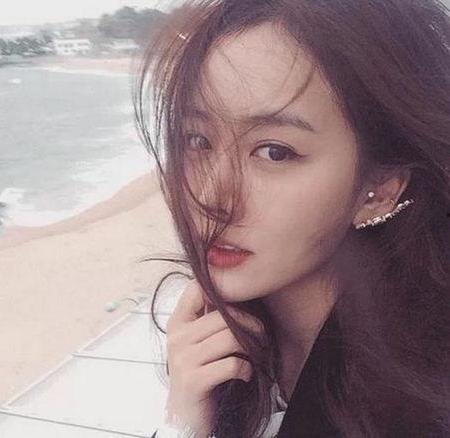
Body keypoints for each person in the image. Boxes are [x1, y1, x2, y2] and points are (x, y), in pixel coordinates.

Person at [133, 0, 450, 436]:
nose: (210, 197)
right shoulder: (220, 344)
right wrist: (185, 421)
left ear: (379, 190)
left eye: (274, 152)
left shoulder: (424, 402)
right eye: (197, 140)